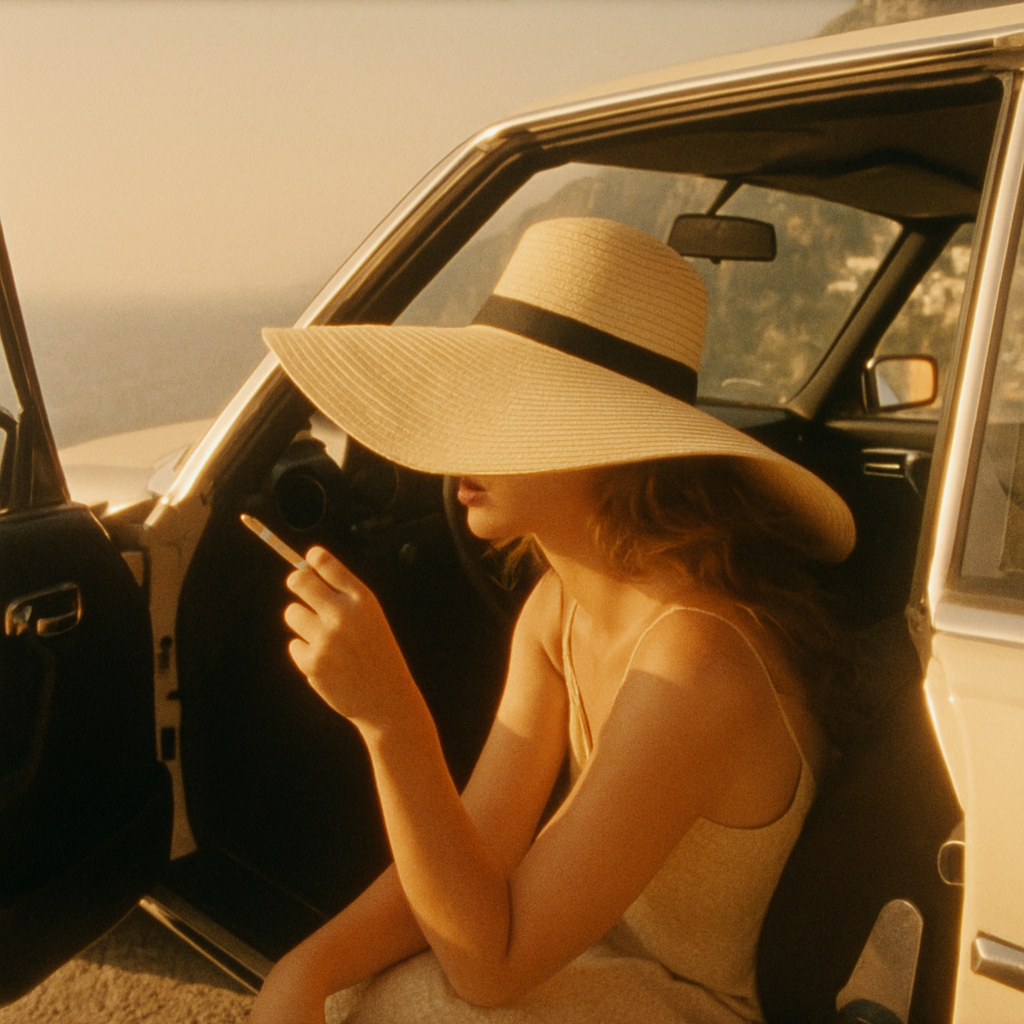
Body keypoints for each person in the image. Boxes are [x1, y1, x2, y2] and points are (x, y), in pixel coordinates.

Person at [249, 217, 856, 1024]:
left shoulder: (693, 661)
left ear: (606, 444)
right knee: (351, 996)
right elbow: (474, 854)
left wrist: (390, 719)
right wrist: (306, 969)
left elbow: (490, 967)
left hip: (705, 1008)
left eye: (502, 406)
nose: (456, 440)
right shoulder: (556, 609)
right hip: (607, 965)